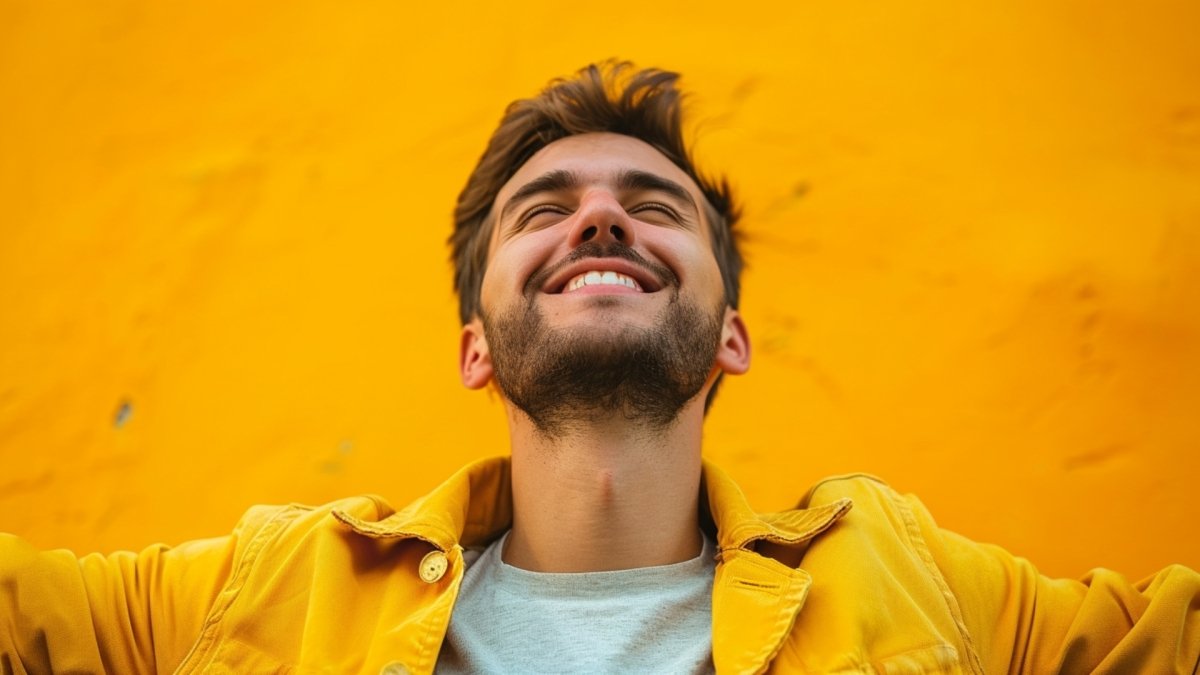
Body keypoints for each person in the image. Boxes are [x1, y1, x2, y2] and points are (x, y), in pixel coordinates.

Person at [2, 61, 1198, 675]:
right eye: (546, 209)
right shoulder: (268, 589)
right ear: (476, 347)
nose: (602, 223)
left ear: (732, 331)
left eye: (652, 205)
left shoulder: (914, 579)